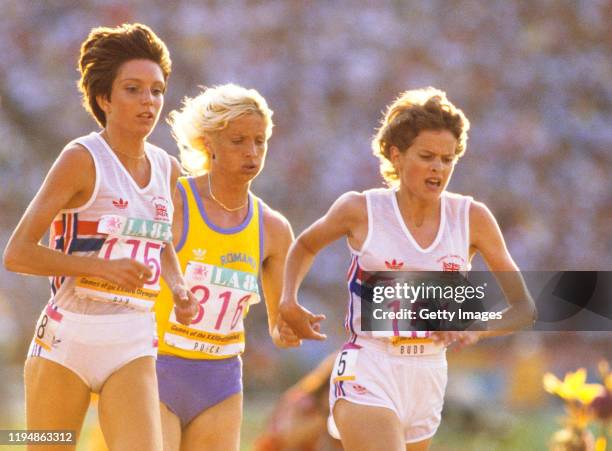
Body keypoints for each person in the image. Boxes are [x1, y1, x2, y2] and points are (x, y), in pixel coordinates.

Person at [279, 87, 536, 451]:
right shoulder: (360, 209)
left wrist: (473, 329)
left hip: (428, 376)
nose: (438, 168)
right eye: (427, 156)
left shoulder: (472, 218)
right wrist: (287, 300)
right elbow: (304, 245)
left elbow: (524, 309)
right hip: (368, 366)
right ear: (396, 156)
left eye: (448, 159)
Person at [3, 23, 197, 451]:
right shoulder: (81, 158)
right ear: (104, 98)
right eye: (133, 89)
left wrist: (179, 286)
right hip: (66, 338)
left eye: (157, 90)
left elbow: (159, 240)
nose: (149, 101)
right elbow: (17, 254)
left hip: (132, 339)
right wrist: (100, 268)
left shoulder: (167, 168)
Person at [153, 83, 299, 451]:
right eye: (238, 141)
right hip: (156, 368)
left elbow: (279, 326)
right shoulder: (175, 201)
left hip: (220, 379)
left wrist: (293, 327)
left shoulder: (274, 228)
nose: (252, 152)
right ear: (208, 144)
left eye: (260, 141)